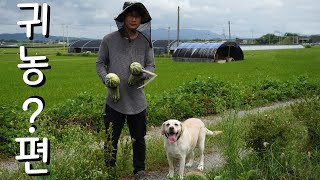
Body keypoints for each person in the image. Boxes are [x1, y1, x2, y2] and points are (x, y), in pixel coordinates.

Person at [96, 1, 154, 179]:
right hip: (115, 100)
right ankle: (109, 170)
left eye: (137, 16)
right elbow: (100, 64)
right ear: (124, 18)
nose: (134, 19)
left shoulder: (145, 42)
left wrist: (140, 74)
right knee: (111, 138)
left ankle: (139, 170)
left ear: (141, 19)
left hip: (137, 99)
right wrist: (107, 79)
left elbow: (151, 66)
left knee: (139, 138)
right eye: (131, 15)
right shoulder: (109, 40)